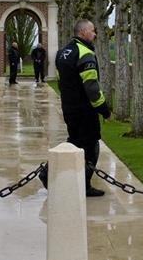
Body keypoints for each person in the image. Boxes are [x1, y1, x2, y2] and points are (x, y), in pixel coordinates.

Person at [42, 19, 110, 196]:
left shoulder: (62, 53)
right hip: (85, 109)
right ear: (83, 32)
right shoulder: (85, 53)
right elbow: (92, 87)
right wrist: (104, 109)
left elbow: (60, 82)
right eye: (92, 31)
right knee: (91, 145)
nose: (94, 34)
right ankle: (84, 185)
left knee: (74, 141)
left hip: (68, 107)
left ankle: (48, 172)